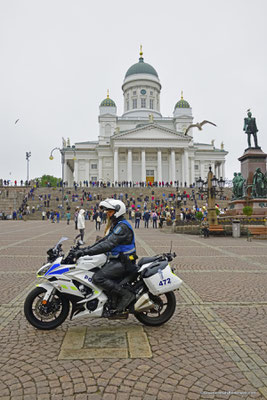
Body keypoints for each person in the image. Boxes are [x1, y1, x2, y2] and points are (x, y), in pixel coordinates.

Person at [75, 199, 136, 313]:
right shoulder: (117, 225)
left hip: (124, 262)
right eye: (107, 211)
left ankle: (126, 295)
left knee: (98, 277)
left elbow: (109, 244)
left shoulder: (122, 227)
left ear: (118, 211)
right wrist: (85, 249)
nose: (107, 213)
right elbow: (104, 240)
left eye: (110, 211)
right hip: (117, 259)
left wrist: (85, 252)